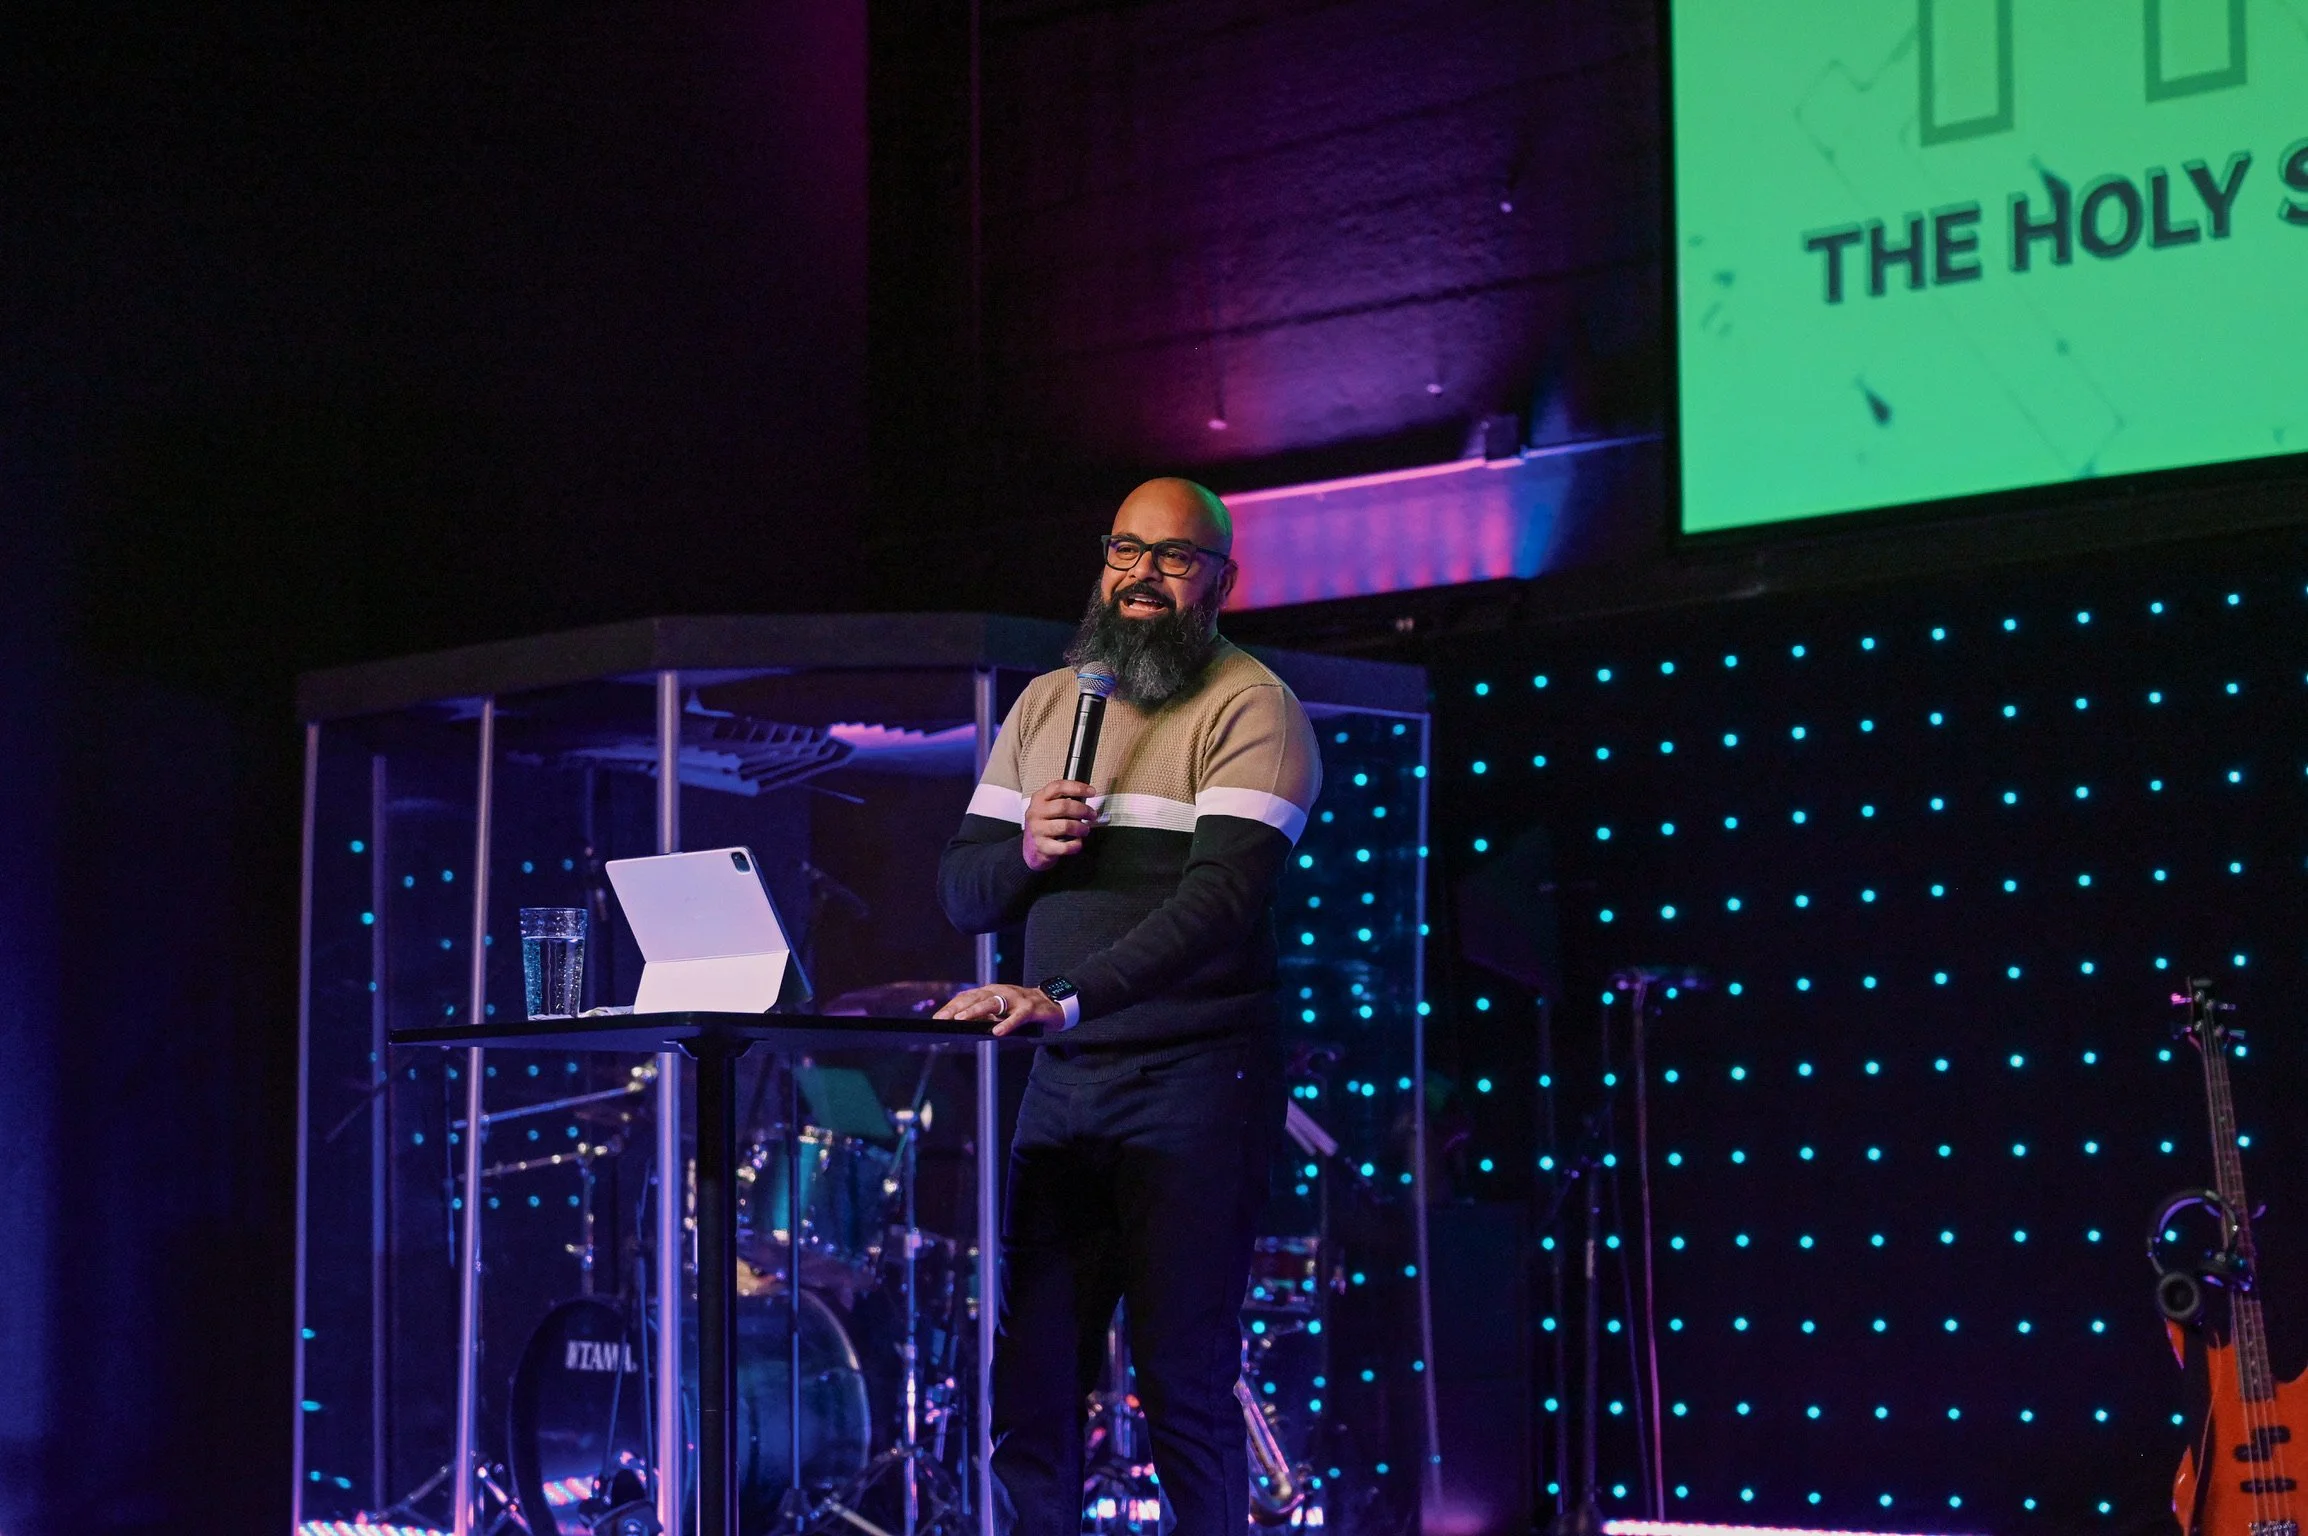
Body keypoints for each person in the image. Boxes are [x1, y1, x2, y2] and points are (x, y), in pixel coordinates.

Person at [933, 477, 1322, 1536]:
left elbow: (1220, 905)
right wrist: (1025, 847)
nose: (1142, 574)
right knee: (1032, 1382)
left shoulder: (1254, 706)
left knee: (1183, 1382)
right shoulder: (1051, 704)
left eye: (1174, 556)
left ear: (1219, 582)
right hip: (1066, 1085)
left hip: (1193, 1079)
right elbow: (962, 889)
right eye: (1124, 550)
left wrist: (1065, 996)